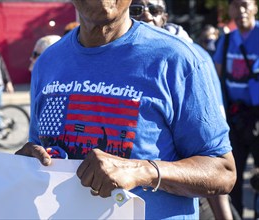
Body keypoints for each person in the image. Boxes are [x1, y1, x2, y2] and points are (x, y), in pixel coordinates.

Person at [16, 1, 236, 219]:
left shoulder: (177, 58)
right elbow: (40, 152)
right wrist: (26, 164)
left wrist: (141, 171)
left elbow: (223, 172)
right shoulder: (48, 62)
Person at [129, 1, 235, 219]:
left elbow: (214, 154)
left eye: (155, 10)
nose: (147, 16)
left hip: (189, 196)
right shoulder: (114, 58)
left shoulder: (191, 59)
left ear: (165, 18)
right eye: (137, 10)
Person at [213, 0, 259, 217]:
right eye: (235, 6)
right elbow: (216, 73)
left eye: (245, 5)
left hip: (258, 116)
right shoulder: (228, 39)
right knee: (234, 175)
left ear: (255, 8)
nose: (241, 11)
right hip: (235, 119)